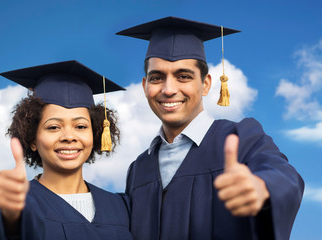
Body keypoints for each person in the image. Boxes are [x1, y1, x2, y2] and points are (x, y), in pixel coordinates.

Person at [117, 16, 304, 239]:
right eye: (157, 78)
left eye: (183, 76)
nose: (168, 89)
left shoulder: (239, 138)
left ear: (205, 84)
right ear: (145, 86)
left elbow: (285, 175)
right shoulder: (138, 169)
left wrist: (261, 187)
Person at [0, 60, 133, 240]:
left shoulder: (120, 206)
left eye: (80, 126)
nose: (69, 136)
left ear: (96, 134)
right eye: (53, 127)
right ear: (32, 139)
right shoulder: (17, 199)